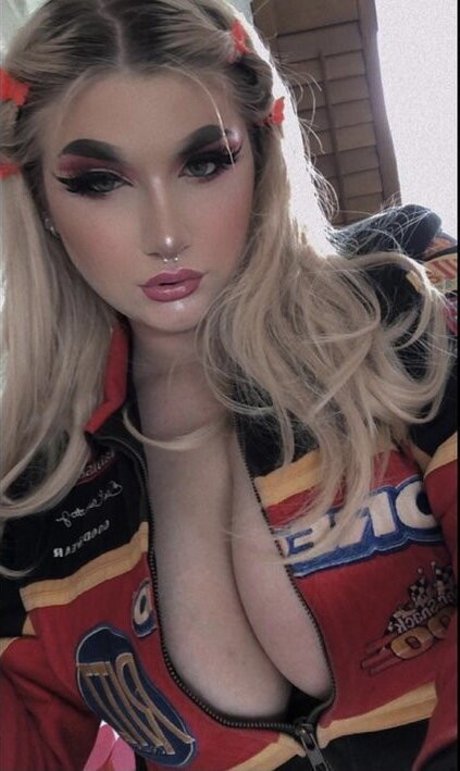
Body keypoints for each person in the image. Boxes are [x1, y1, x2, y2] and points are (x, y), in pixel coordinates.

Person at [0, 1, 456, 770]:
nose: (165, 232)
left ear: (262, 149)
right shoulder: (32, 490)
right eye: (100, 182)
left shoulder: (395, 306)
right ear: (40, 200)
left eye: (205, 162)